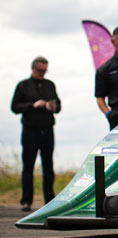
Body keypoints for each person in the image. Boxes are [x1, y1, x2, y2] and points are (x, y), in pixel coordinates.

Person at [11, 56, 61, 211]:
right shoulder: (23, 86)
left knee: (48, 167)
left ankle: (50, 200)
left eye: (45, 70)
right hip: (30, 131)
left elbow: (58, 106)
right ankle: (26, 201)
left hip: (47, 130)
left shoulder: (50, 85)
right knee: (28, 166)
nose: (42, 73)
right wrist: (33, 105)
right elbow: (15, 107)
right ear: (33, 68)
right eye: (40, 70)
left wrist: (53, 107)